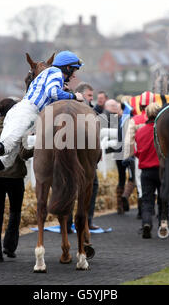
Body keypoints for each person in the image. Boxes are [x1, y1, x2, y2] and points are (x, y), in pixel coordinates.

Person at [0, 50, 85, 203]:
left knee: (8, 160)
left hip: (27, 113)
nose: (74, 75)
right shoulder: (55, 71)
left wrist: (64, 91)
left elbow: (51, 92)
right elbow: (53, 92)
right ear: (67, 68)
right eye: (73, 70)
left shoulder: (52, 74)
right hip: (26, 111)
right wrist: (75, 96)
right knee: (8, 144)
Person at [0, 98, 34, 262]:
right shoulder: (18, 129)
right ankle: (9, 246)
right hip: (14, 176)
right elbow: (24, 153)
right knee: (15, 212)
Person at [70, 82, 100, 230]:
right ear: (80, 94)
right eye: (89, 95)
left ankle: (84, 220)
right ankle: (83, 220)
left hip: (85, 158)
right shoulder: (82, 111)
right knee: (89, 186)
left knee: (79, 187)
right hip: (81, 158)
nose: (91, 99)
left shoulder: (89, 110)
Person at [134, 103, 164, 238]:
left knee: (147, 200)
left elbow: (136, 152)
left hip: (146, 170)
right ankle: (163, 224)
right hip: (162, 170)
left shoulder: (140, 131)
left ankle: (146, 223)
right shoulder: (164, 130)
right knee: (164, 198)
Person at [123, 91, 153, 219]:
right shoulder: (160, 119)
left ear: (140, 105)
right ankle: (158, 214)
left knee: (141, 185)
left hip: (139, 157)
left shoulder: (135, 120)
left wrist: (127, 156)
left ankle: (142, 213)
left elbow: (129, 140)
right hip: (157, 157)